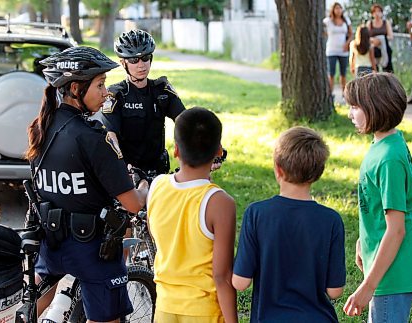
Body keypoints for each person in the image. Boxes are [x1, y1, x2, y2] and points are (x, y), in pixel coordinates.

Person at [25, 46, 149, 322]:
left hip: (52, 245)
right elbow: (131, 204)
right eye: (100, 85)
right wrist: (144, 187)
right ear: (77, 88)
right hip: (93, 252)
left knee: (30, 308)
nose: (106, 92)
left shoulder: (41, 128)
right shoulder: (94, 137)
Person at [232, 126, 346, 322]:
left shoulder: (257, 214)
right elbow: (335, 291)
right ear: (318, 173)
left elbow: (240, 282)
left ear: (278, 168)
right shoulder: (332, 220)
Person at [343, 73, 412, 322]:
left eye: (355, 107)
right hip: (386, 264)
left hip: (394, 270)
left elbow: (396, 230)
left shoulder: (389, 158)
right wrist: (364, 239)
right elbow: (377, 205)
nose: (350, 114)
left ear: (375, 108)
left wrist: (367, 287)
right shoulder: (384, 144)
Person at [147, 107, 237, 323]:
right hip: (204, 312)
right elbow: (222, 276)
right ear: (218, 150)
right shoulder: (220, 202)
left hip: (164, 308)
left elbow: (156, 236)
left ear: (176, 150)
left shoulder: (157, 186)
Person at [97, 29, 185, 174]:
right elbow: (110, 135)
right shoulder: (116, 94)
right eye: (133, 60)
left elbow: (186, 120)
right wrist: (120, 166)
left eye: (145, 58)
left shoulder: (162, 90)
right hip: (128, 173)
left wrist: (207, 147)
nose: (141, 65)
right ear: (123, 62)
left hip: (159, 171)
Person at [323, 2, 353, 93]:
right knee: (331, 73)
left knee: (343, 73)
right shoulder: (327, 21)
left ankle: (344, 94)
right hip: (331, 50)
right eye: (336, 8)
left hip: (343, 50)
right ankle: (330, 93)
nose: (338, 10)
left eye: (340, 8)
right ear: (333, 9)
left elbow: (351, 34)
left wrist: (347, 44)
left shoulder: (346, 20)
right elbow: (322, 30)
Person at [367, 3, 394, 72]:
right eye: (375, 11)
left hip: (385, 49)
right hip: (374, 50)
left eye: (379, 11)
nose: (377, 13)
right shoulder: (369, 23)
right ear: (372, 13)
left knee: (387, 71)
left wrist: (381, 39)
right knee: (375, 71)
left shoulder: (386, 22)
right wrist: (374, 40)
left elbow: (391, 36)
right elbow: (366, 37)